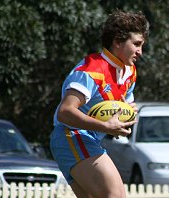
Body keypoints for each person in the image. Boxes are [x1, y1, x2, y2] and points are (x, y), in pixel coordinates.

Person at [50, 10, 149, 198]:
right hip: (72, 135)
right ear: (118, 41)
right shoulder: (91, 69)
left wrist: (126, 119)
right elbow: (65, 111)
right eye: (136, 44)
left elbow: (126, 110)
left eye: (142, 45)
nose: (140, 52)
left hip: (88, 139)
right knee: (116, 195)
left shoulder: (129, 72)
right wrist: (106, 126)